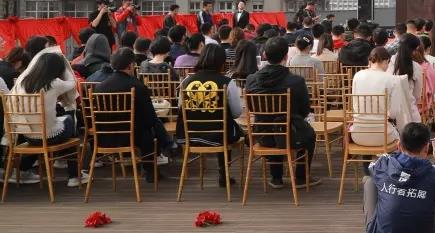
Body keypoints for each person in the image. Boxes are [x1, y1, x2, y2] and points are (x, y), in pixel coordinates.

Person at [244, 37, 318, 188]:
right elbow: (305, 110)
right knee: (309, 134)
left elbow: (252, 109)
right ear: (286, 56)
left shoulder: (251, 80)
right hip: (291, 135)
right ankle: (301, 177)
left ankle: (276, 177)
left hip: (262, 135)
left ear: (264, 55)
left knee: (271, 122)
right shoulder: (296, 81)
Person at [94, 48, 178, 182]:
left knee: (146, 124)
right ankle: (152, 169)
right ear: (130, 65)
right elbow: (150, 118)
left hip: (104, 136)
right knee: (149, 128)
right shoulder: (137, 86)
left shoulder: (99, 88)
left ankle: (168, 145)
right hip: (131, 137)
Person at [7, 51, 81, 187]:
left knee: (41, 132)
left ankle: (21, 170)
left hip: (28, 136)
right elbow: (72, 83)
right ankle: (74, 175)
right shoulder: (54, 83)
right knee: (70, 120)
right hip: (49, 137)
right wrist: (65, 65)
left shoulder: (22, 82)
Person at [177, 43, 244, 187]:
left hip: (191, 135)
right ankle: (224, 174)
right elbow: (237, 112)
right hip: (220, 136)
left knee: (223, 125)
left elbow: (180, 108)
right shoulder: (227, 82)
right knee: (227, 125)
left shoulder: (186, 82)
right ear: (222, 62)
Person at [349, 46, 419, 146]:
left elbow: (354, 104)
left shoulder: (357, 75)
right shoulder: (392, 79)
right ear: (386, 61)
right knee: (398, 132)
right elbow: (394, 113)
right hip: (383, 136)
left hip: (357, 135)